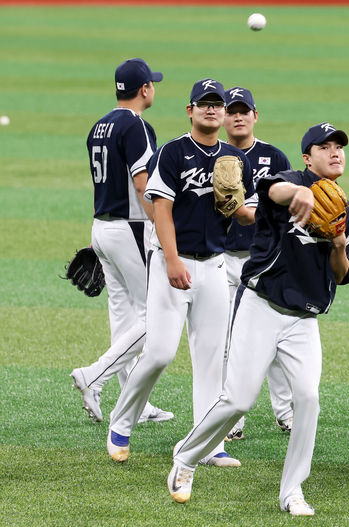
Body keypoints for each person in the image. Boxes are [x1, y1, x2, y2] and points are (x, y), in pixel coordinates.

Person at [167, 122, 349, 517]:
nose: (335, 151)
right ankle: (185, 458)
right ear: (308, 157)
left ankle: (293, 491)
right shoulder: (289, 181)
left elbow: (343, 274)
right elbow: (272, 190)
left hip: (303, 321)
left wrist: (338, 244)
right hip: (261, 307)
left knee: (308, 400)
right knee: (238, 398)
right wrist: (299, 191)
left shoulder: (344, 208)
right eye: (325, 147)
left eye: (340, 146)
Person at [105, 78, 256, 468]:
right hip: (172, 262)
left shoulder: (235, 160)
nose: (211, 109)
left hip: (214, 268)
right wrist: (171, 260)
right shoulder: (172, 152)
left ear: (224, 114)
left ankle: (208, 445)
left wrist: (252, 209)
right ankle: (121, 423)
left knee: (210, 360)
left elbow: (247, 213)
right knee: (158, 353)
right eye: (203, 104)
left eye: (217, 105)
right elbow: (161, 209)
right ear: (190, 111)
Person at [70, 58, 173, 425]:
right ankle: (93, 376)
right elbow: (143, 184)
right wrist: (163, 229)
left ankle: (135, 405)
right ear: (144, 89)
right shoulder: (137, 126)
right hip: (130, 228)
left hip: (101, 227)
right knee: (157, 315)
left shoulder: (99, 126)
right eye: (152, 84)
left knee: (124, 316)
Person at [221, 86, 294, 442]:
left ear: (254, 116)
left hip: (262, 261)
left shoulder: (274, 158)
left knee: (276, 336)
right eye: (231, 111)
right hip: (220, 260)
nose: (237, 116)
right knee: (228, 339)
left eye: (243, 110)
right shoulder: (213, 155)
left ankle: (285, 412)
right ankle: (231, 417)